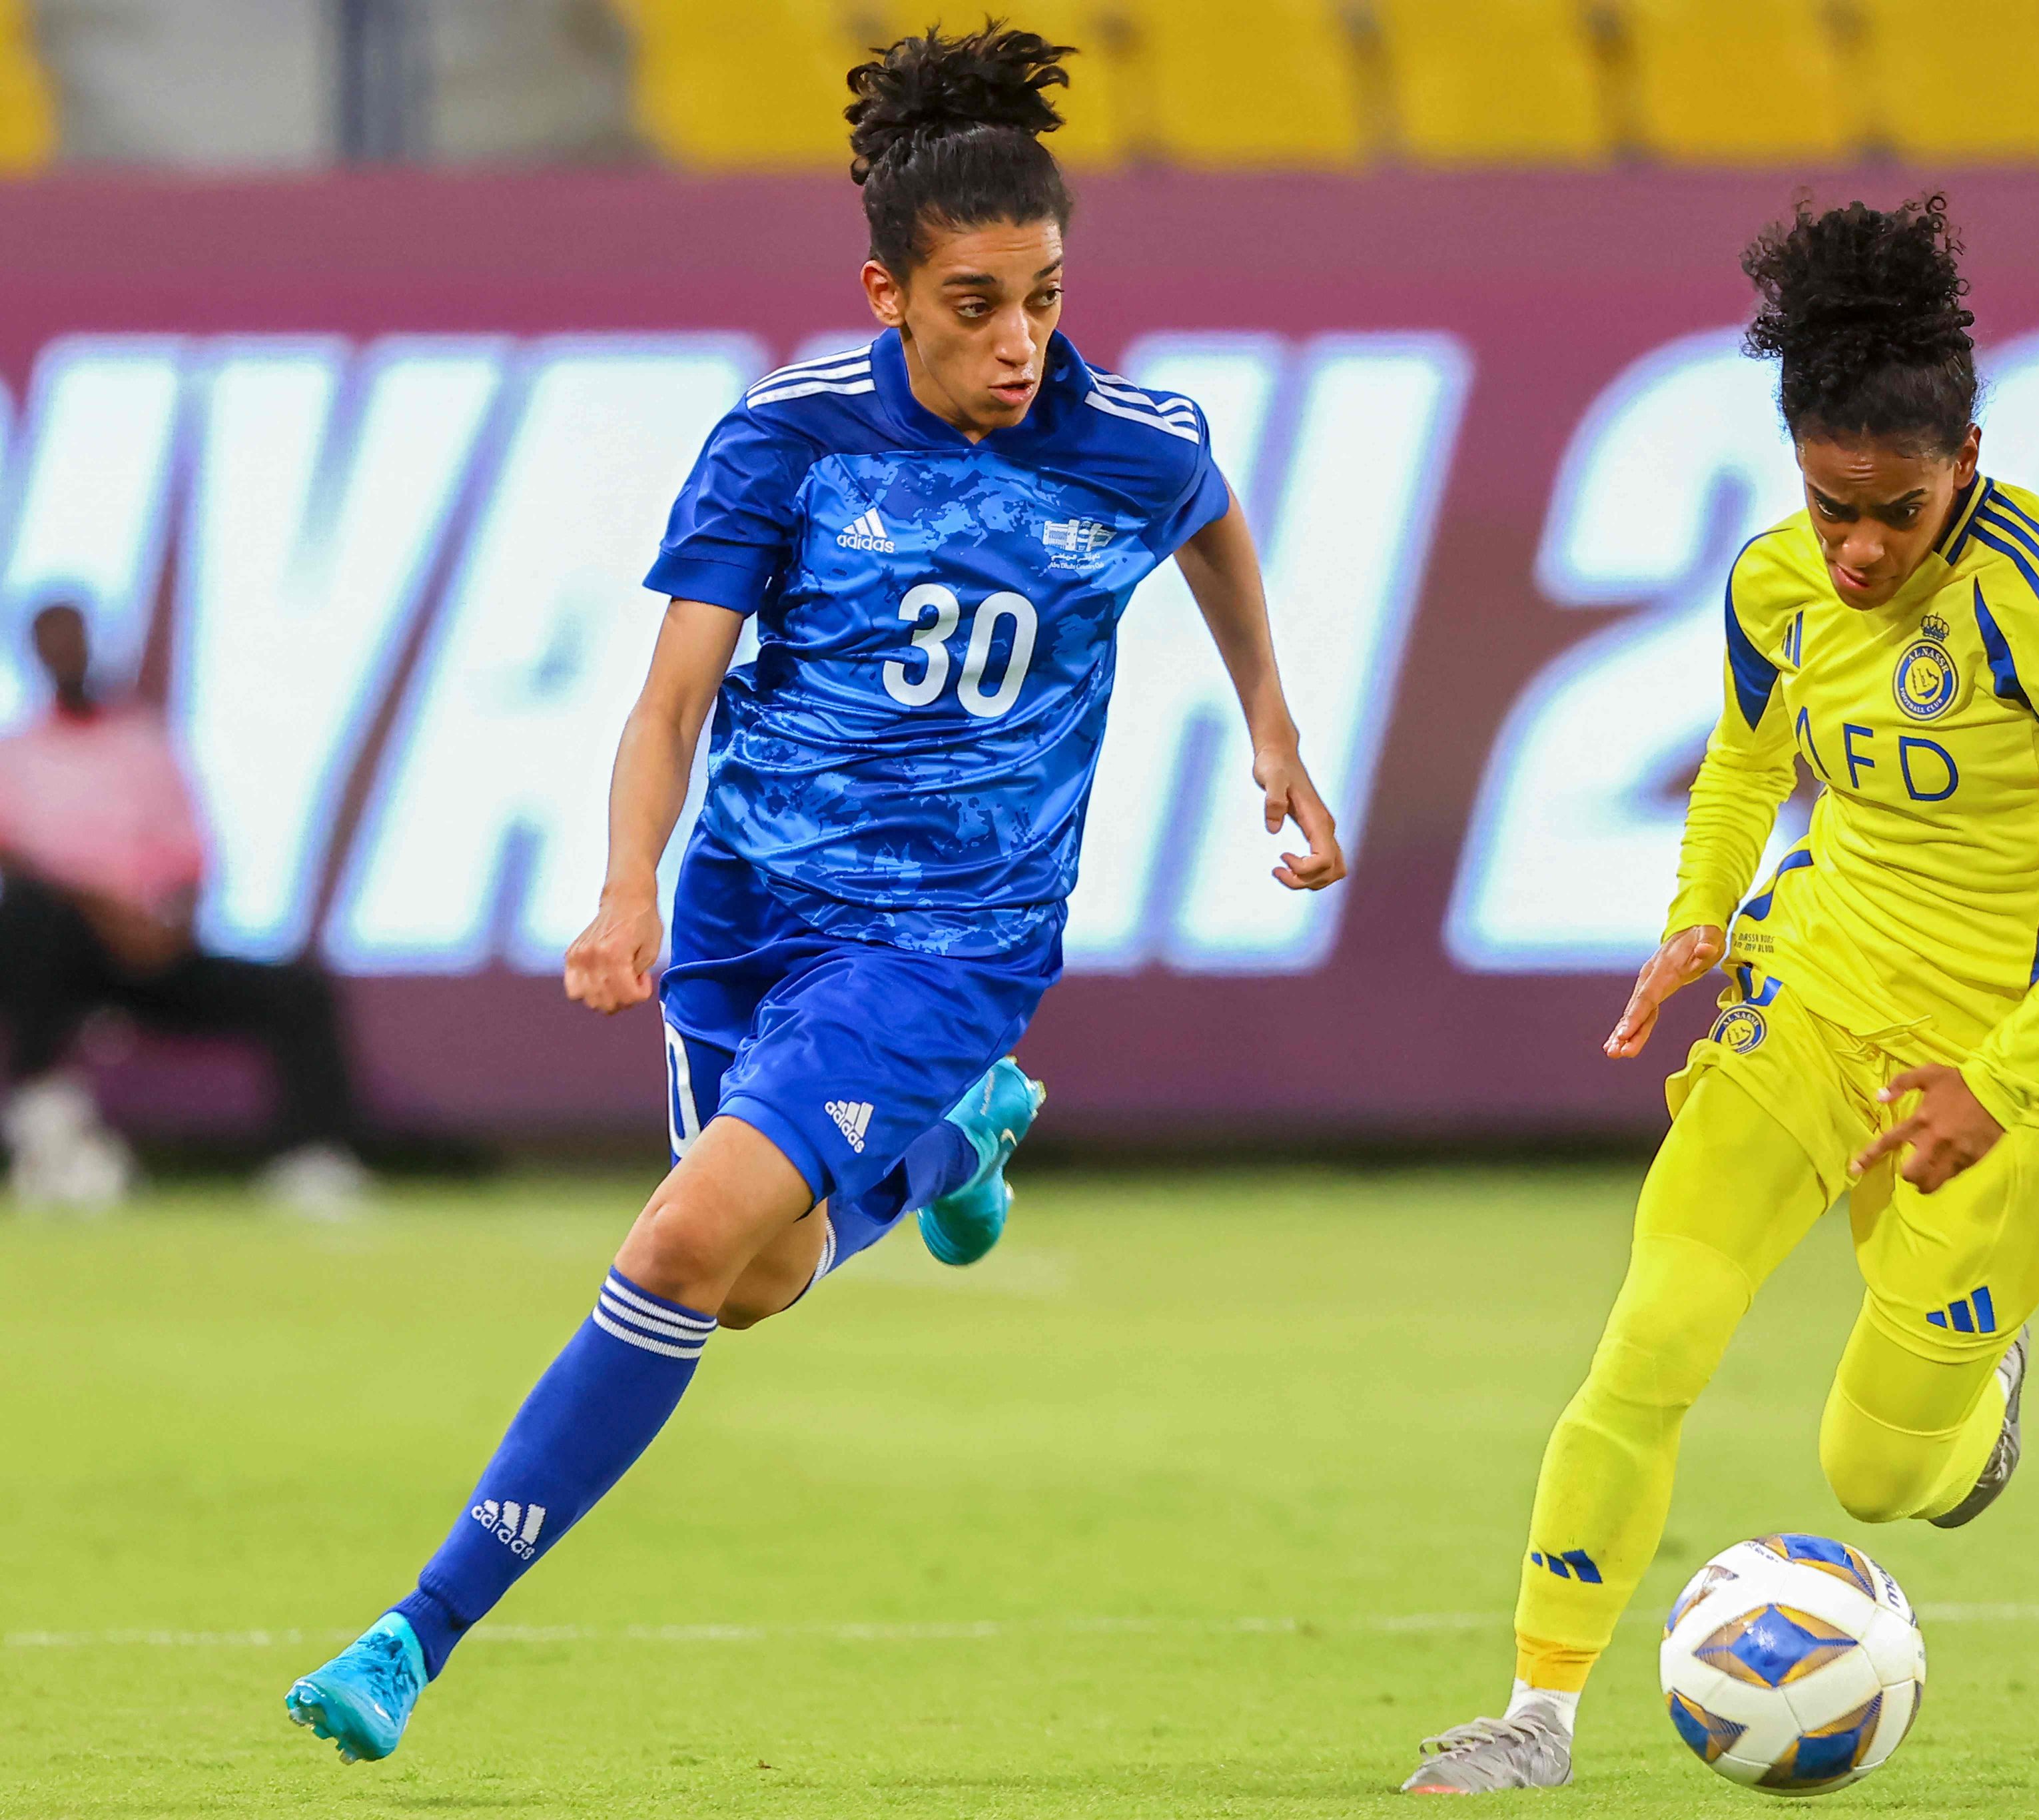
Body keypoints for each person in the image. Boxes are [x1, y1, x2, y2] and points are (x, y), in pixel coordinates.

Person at [284, 25, 1344, 1763]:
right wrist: (627, 892)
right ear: (886, 289)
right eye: (977, 302)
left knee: (678, 1238)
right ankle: (953, 1142)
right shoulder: (785, 437)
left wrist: (1274, 733)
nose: (1020, 342)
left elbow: (1213, 521)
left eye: (1046, 298)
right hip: (745, 921)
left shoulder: (1131, 442)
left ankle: (414, 1631)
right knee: (754, 1280)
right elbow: (672, 696)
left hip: (950, 940)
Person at [1402, 195, 2039, 1793]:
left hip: (2006, 1074)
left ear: (1966, 458)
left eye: (1894, 513)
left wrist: (2010, 1072)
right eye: (1831, 502)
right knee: (1653, 1333)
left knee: (1878, 1471)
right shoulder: (1778, 584)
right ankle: (1535, 1713)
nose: (1856, 548)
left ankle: (1975, 1394)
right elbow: (1746, 752)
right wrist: (1700, 913)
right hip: (1819, 992)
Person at [0, 600, 370, 1212]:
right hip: (52, 951)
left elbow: (192, 857)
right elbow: (16, 857)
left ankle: (312, 1158)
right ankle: (43, 1106)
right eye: (51, 642)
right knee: (38, 915)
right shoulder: (15, 754)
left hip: (147, 949)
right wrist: (101, 907)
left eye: (74, 638)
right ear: (32, 654)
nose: (65, 653)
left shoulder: (144, 744)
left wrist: (166, 928)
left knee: (299, 991)